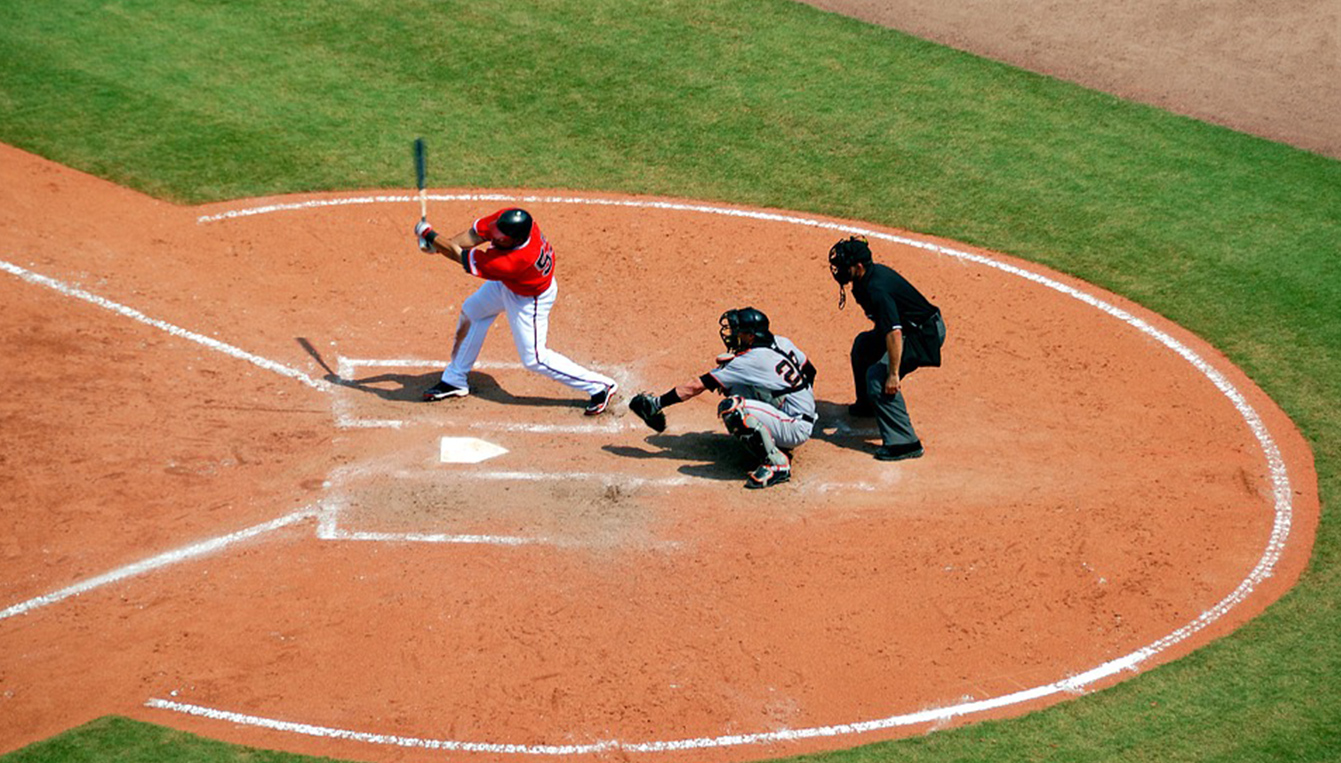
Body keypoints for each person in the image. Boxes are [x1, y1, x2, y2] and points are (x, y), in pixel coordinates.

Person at [413, 207, 617, 414]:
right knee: (473, 311)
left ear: (517, 240)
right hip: (508, 284)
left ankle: (600, 386)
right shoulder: (508, 220)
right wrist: (439, 245)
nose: (496, 237)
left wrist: (429, 235)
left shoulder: (514, 260)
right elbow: (473, 236)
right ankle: (455, 379)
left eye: (502, 239)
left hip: (529, 298)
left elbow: (460, 256)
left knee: (534, 359)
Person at [629, 308, 818, 489]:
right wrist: (795, 398)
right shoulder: (781, 342)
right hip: (797, 414)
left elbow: (697, 385)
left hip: (795, 427)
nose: (734, 334)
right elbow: (810, 371)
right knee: (732, 385)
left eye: (739, 331)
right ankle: (776, 434)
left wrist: (658, 403)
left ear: (751, 336)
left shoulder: (752, 360)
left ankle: (777, 464)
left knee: (733, 409)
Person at [827, 236, 946, 461]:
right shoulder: (864, 281)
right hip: (907, 330)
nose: (840, 269)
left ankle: (904, 443)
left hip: (922, 334)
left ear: (859, 267)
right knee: (863, 347)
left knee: (878, 378)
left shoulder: (876, 288)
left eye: (845, 265)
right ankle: (868, 406)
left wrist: (893, 374)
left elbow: (894, 332)